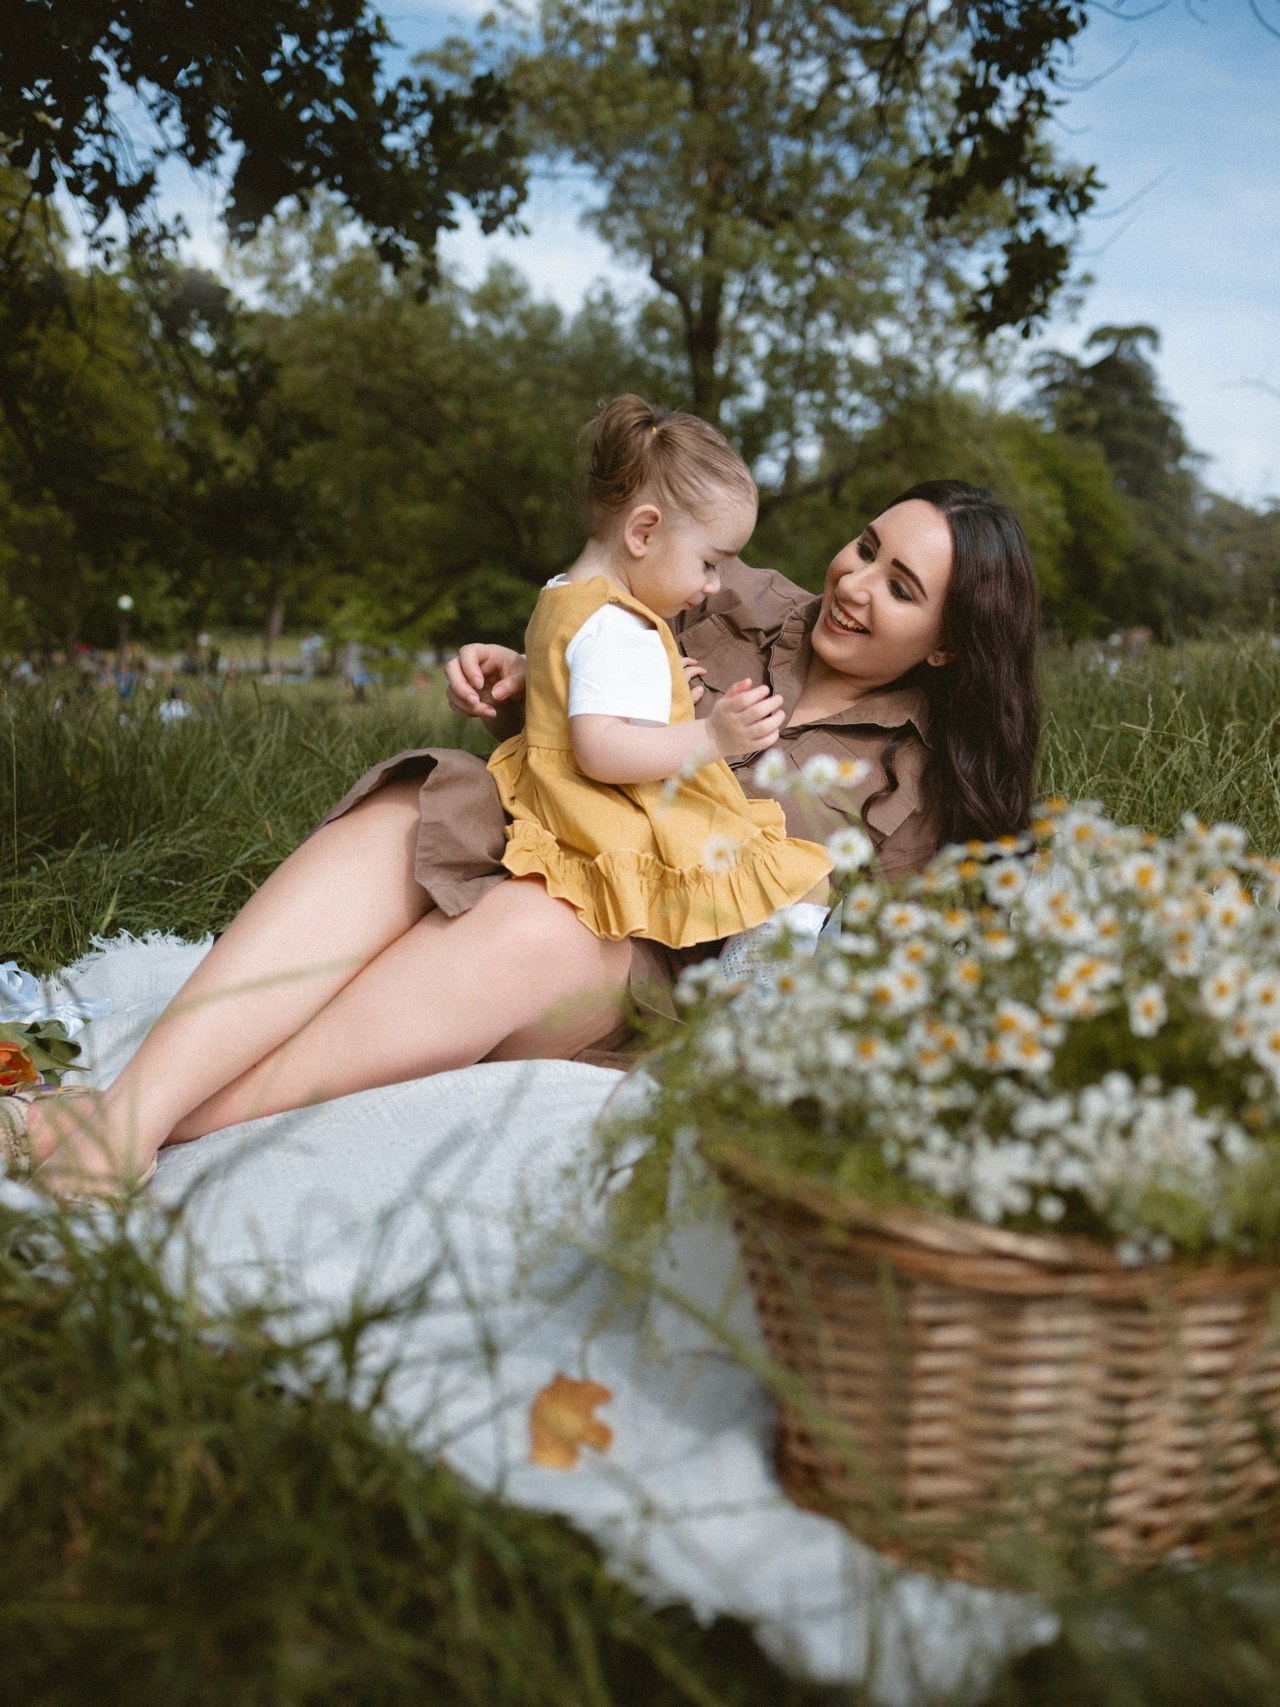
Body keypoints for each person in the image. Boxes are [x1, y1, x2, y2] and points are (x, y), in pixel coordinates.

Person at [18, 472, 1039, 1193]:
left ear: (949, 646)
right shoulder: (734, 596)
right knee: (422, 800)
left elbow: (852, 990)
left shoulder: (918, 794)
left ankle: (127, 1123)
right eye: (865, 547)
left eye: (900, 588)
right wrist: (519, 682)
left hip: (637, 965)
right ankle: (128, 1118)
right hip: (540, 825)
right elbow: (597, 685)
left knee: (541, 924)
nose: (855, 583)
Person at [485, 397, 831, 950]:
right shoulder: (621, 627)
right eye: (710, 562)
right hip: (614, 811)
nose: (715, 584)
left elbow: (590, 689)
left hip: (568, 793)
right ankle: (757, 992)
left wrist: (666, 683)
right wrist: (712, 735)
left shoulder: (566, 595)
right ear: (643, 533)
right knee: (798, 879)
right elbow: (601, 750)